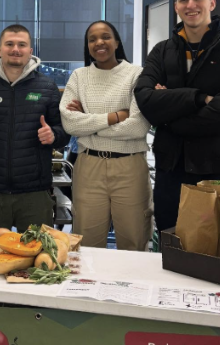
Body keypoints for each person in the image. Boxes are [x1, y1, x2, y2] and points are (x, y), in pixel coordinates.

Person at [134, 0, 220, 235]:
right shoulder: (162, 51)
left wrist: (170, 116)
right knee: (173, 247)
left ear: (211, 3)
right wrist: (200, 98)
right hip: (173, 169)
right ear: (177, 7)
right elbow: (145, 99)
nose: (191, 4)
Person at [0, 24, 69, 242]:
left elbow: (64, 133)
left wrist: (54, 135)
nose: (15, 49)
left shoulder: (47, 88)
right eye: (9, 44)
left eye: (21, 45)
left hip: (35, 194)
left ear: (30, 50)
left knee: (38, 259)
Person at [59, 20, 152, 251]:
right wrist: (115, 116)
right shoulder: (79, 77)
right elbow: (70, 123)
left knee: (134, 239)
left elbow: (138, 127)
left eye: (106, 36)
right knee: (86, 241)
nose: (99, 42)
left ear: (117, 41)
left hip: (129, 166)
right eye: (92, 39)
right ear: (87, 45)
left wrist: (89, 122)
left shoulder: (136, 74)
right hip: (89, 165)